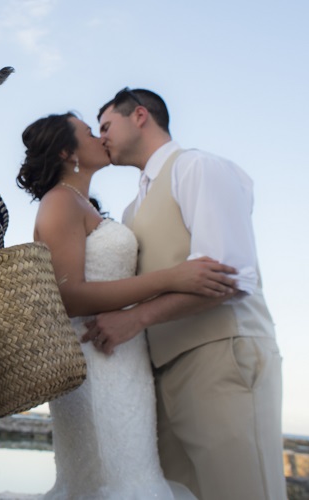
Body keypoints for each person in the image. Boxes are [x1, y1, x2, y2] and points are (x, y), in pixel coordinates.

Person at [16, 113, 236, 499]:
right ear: (68, 151)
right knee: (109, 479)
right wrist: (172, 278)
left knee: (135, 475)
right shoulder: (59, 202)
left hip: (125, 361)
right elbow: (70, 296)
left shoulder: (85, 204)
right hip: (94, 358)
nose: (101, 136)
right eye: (89, 131)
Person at [89, 88, 285, 500]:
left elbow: (229, 278)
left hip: (222, 356)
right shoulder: (130, 209)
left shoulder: (197, 168)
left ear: (140, 115)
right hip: (162, 373)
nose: (100, 136)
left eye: (106, 126)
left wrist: (135, 318)